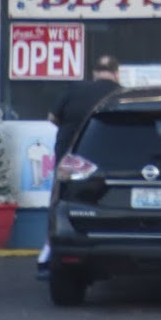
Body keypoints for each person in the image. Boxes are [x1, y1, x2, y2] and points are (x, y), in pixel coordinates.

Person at [37, 54, 122, 279]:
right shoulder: (119, 94)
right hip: (106, 159)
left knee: (60, 203)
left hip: (70, 158)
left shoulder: (73, 90)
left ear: (94, 73)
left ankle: (47, 256)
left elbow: (51, 117)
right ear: (116, 73)